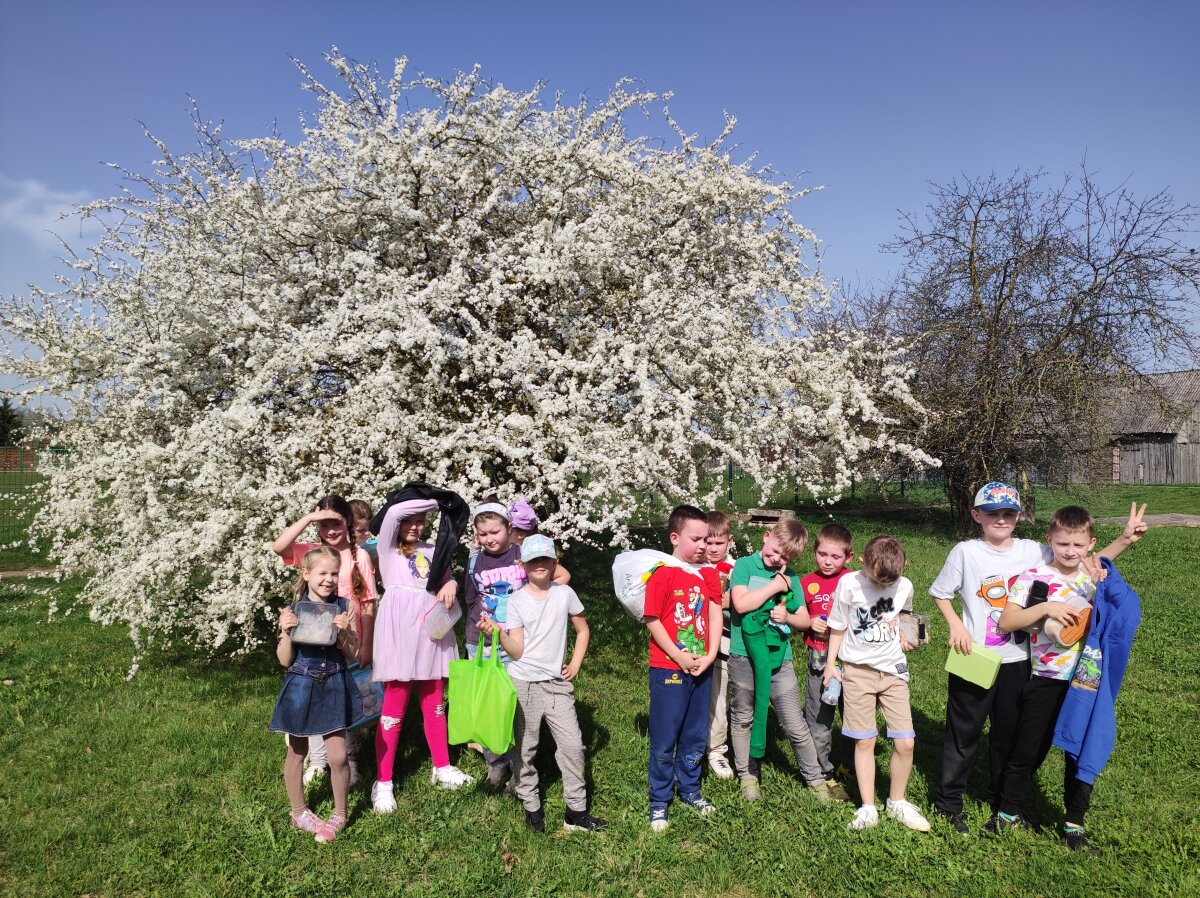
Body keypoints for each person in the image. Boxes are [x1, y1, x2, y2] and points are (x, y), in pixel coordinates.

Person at [928, 483, 1146, 832]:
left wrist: (1123, 541)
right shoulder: (965, 551)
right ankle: (949, 804)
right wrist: (956, 625)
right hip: (975, 654)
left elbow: (1079, 560)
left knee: (1007, 736)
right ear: (976, 515)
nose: (1001, 519)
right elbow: (941, 593)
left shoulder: (1032, 550)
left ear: (1018, 516)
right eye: (992, 513)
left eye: (1008, 513)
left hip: (1018, 659)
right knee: (963, 733)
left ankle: (1002, 805)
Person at [478, 534, 607, 832]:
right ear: (523, 565)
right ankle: (531, 806)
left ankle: (576, 812)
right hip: (523, 684)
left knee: (573, 746)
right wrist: (498, 633)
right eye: (533, 560)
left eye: (545, 559)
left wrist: (575, 663)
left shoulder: (565, 594)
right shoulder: (516, 601)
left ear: (553, 563)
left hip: (557, 684)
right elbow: (517, 650)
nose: (539, 565)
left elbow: (583, 630)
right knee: (524, 751)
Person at [990, 506, 1101, 840]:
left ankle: (1074, 824)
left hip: (1086, 682)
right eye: (1063, 544)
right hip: (1047, 678)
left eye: (1078, 545)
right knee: (1029, 748)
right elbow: (1007, 621)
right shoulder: (1034, 578)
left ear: (1091, 545)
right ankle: (1007, 813)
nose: (1070, 551)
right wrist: (1045, 607)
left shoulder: (1093, 581)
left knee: (1079, 753)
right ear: (1049, 539)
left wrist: (1105, 585)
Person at [370, 492, 473, 812]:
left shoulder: (433, 549)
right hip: (401, 632)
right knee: (394, 706)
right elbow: (394, 512)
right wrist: (439, 500)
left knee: (435, 702)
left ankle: (442, 766)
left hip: (431, 632)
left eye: (420, 521)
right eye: (409, 521)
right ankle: (383, 781)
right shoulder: (387, 546)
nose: (415, 526)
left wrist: (451, 584)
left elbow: (445, 578)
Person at [823, 536, 929, 832]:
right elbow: (838, 625)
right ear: (862, 563)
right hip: (858, 671)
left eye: (888, 582)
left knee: (905, 742)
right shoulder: (849, 583)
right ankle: (868, 807)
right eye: (876, 579)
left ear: (903, 566)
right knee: (865, 740)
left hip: (893, 670)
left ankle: (897, 801)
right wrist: (831, 664)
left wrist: (914, 636)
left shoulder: (905, 585)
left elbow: (906, 615)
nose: (882, 586)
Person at [728, 520, 838, 804]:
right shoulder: (744, 566)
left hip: (780, 660)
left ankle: (815, 779)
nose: (777, 559)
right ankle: (748, 775)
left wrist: (787, 616)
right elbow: (740, 604)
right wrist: (776, 585)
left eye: (785, 557)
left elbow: (804, 620)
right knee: (743, 718)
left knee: (794, 723)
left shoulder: (792, 577)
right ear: (766, 537)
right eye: (775, 550)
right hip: (743, 655)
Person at [273, 495, 377, 785]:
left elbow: (368, 602)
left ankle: (349, 758)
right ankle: (318, 761)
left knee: (341, 700)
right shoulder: (312, 552)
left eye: (337, 524)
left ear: (348, 522)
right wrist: (309, 518)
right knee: (314, 699)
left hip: (347, 638)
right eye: (324, 525)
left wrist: (366, 644)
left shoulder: (358, 556)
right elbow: (279, 547)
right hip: (311, 640)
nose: (331, 531)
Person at [269, 545, 361, 843]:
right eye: (323, 573)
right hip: (301, 685)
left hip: (333, 684)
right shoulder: (293, 610)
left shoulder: (344, 606)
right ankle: (298, 813)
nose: (329, 579)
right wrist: (286, 632)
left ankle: (340, 813)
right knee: (297, 752)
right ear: (306, 574)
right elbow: (284, 660)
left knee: (338, 756)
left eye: (334, 573)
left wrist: (344, 633)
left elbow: (354, 654)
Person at [644, 504, 724, 832]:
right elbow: (652, 619)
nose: (703, 546)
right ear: (675, 538)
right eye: (696, 539)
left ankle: (690, 789)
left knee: (695, 733)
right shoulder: (662, 573)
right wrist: (678, 656)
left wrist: (710, 655)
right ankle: (659, 799)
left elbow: (715, 613)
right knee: (665, 736)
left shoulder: (709, 575)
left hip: (702, 667)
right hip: (668, 667)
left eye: (707, 539)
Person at [463, 501, 527, 787]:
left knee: (516, 704)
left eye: (495, 532)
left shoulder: (522, 555)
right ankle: (496, 763)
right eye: (483, 534)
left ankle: (520, 765)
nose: (489, 538)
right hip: (481, 642)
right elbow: (470, 598)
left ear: (509, 528)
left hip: (516, 641)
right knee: (488, 705)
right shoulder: (475, 561)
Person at [800, 523, 855, 798]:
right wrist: (809, 622)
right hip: (820, 659)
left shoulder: (856, 581)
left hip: (853, 660)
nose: (828, 561)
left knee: (855, 716)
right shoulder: (806, 583)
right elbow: (796, 616)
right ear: (814, 551)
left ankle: (851, 765)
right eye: (822, 554)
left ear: (849, 557)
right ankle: (823, 771)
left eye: (836, 556)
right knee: (820, 717)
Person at [702, 510, 736, 779]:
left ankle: (717, 751)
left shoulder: (736, 570)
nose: (712, 549)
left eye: (718, 543)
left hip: (725, 643)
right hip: (694, 642)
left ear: (729, 541)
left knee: (720, 698)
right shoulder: (691, 566)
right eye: (708, 542)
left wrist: (730, 601)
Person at [507, 495, 572, 584]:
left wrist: (546, 590)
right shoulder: (509, 550)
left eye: (508, 529)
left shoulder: (537, 550)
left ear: (520, 534)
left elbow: (564, 575)